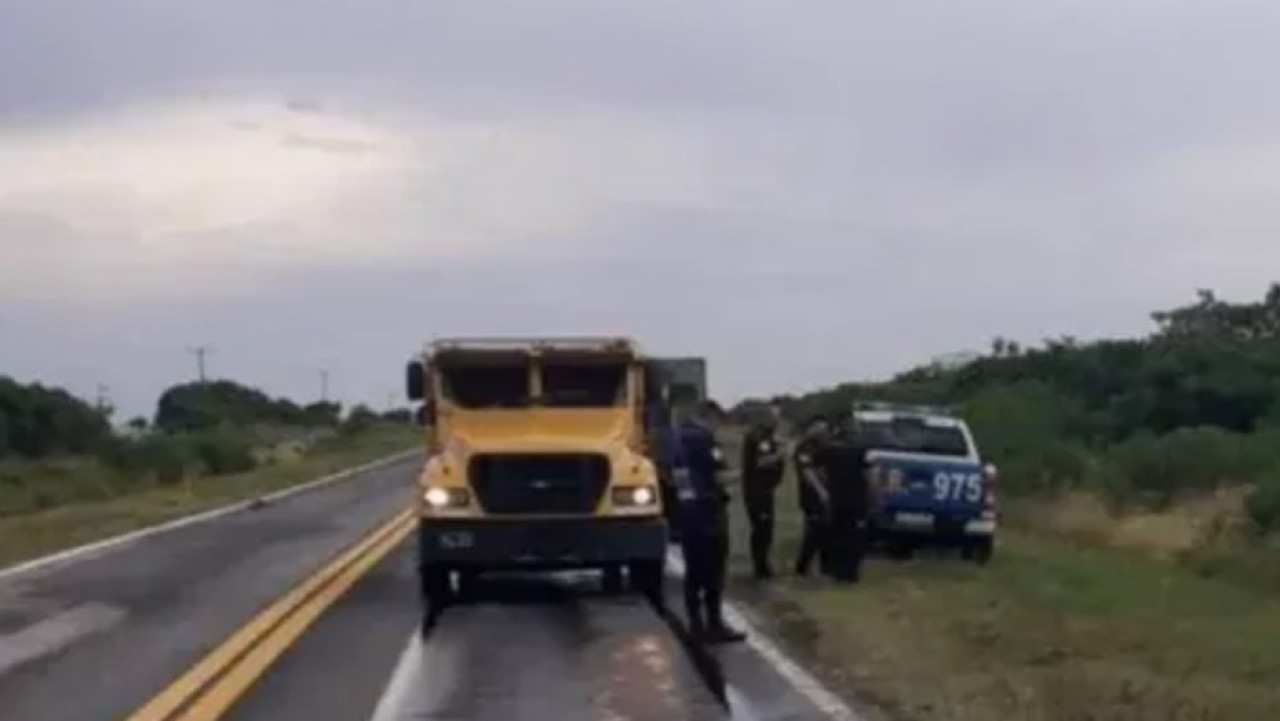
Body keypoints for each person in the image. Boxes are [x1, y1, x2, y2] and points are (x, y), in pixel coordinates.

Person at [670, 400, 747, 643]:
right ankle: (714, 623)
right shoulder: (703, 439)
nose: (718, 428)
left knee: (694, 571)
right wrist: (744, 474)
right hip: (707, 510)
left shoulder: (676, 438)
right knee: (714, 572)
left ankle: (695, 624)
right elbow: (718, 474)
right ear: (710, 417)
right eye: (718, 422)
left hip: (686, 508)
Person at [819, 419, 872, 582]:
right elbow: (870, 475)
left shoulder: (829, 450)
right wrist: (875, 496)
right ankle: (850, 573)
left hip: (837, 499)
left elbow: (819, 469)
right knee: (855, 537)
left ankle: (835, 571)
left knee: (837, 535)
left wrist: (827, 486)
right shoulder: (862, 452)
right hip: (857, 500)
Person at [740, 408, 785, 579]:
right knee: (762, 528)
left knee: (766, 528)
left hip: (764, 489)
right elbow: (761, 461)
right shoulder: (759, 437)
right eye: (776, 417)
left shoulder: (767, 436)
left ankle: (762, 563)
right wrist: (779, 454)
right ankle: (761, 567)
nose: (778, 421)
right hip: (757, 490)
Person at [793, 417, 833, 577]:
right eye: (820, 428)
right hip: (811, 495)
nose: (824, 432)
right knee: (813, 531)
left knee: (825, 530)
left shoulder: (823, 446)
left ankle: (825, 566)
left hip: (823, 494)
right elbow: (807, 470)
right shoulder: (804, 447)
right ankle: (802, 567)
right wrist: (821, 491)